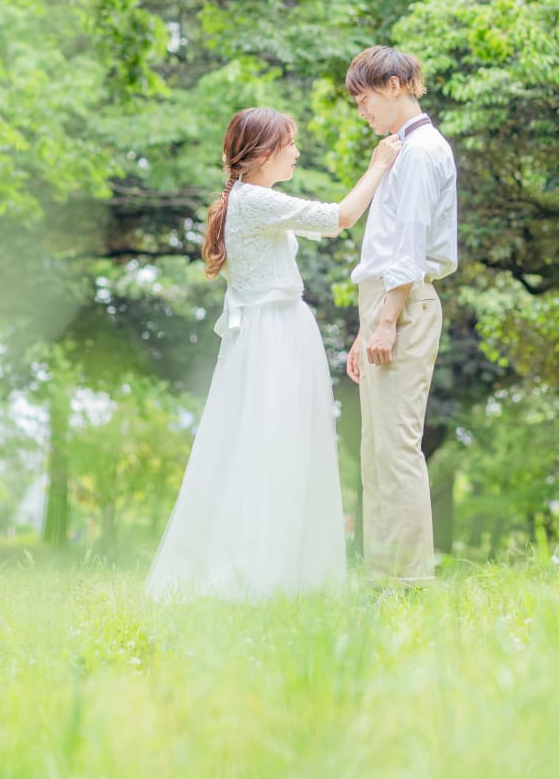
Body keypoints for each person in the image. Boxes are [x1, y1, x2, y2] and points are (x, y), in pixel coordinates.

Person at [146, 106, 401, 602]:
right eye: (290, 144)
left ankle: (286, 573)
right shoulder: (255, 201)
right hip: (272, 333)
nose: (298, 153)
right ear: (263, 154)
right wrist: (379, 165)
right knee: (273, 445)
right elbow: (340, 218)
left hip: (278, 328)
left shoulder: (249, 199)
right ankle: (261, 575)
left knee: (285, 443)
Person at [344, 46, 458, 585]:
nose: (362, 112)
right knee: (377, 451)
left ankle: (409, 581)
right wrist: (366, 328)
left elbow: (409, 244)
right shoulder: (401, 149)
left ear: (393, 85)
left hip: (403, 302)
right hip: (387, 301)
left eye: (364, 100)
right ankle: (383, 575)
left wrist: (387, 318)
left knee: (396, 448)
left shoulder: (419, 152)